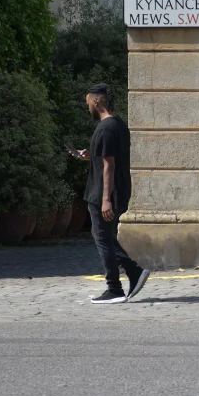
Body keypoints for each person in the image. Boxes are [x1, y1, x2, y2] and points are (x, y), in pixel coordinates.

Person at [72, 83, 150, 304]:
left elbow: (110, 166)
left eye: (88, 103)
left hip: (103, 194)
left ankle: (118, 285)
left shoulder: (105, 129)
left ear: (96, 102)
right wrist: (91, 156)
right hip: (118, 190)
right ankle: (128, 277)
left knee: (103, 239)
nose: (87, 107)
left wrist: (106, 199)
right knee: (106, 237)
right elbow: (108, 158)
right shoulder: (119, 125)